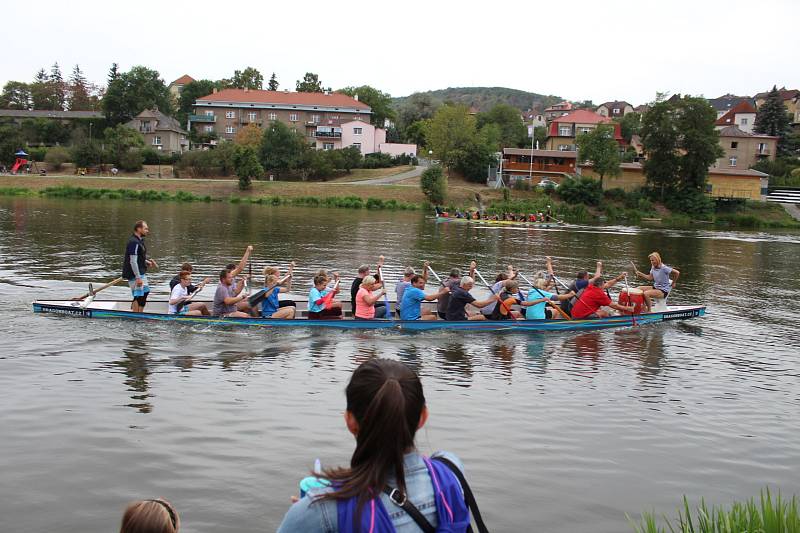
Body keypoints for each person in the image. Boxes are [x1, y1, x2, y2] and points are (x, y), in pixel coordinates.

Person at [277, 358, 477, 533]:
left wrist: (310, 515)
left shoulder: (319, 510)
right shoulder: (452, 470)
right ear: (423, 417)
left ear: (349, 421)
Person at [122, 220, 158, 313]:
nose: (147, 231)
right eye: (145, 228)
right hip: (134, 274)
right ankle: (135, 314)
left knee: (145, 292)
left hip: (140, 272)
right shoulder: (133, 242)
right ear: (138, 229)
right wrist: (138, 277)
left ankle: (140, 313)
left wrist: (146, 262)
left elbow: (138, 258)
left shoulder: (140, 241)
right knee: (138, 295)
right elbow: (133, 261)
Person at [571, 277, 635, 319]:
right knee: (604, 313)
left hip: (574, 313)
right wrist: (627, 308)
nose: (605, 286)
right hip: (580, 317)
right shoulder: (599, 293)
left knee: (601, 310)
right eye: (603, 284)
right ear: (600, 285)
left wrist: (619, 278)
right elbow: (614, 305)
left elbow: (608, 284)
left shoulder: (590, 287)